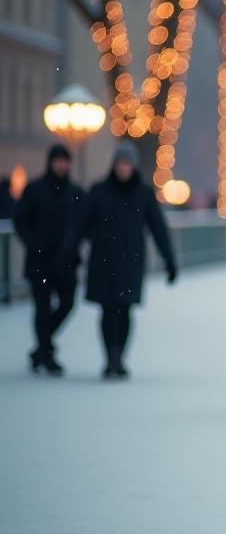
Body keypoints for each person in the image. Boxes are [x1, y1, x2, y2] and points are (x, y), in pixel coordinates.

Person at [67, 145, 177, 379]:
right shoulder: (99, 191)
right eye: (120, 164)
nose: (124, 168)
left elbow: (158, 228)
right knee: (108, 310)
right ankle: (110, 357)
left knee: (125, 309)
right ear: (114, 165)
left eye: (127, 164)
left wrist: (170, 260)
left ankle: (119, 357)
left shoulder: (144, 193)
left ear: (134, 166)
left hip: (130, 261)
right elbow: (81, 224)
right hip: (103, 259)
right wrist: (71, 249)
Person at [12, 144, 85, 374]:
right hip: (40, 261)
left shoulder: (76, 192)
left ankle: (41, 348)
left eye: (65, 161)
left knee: (67, 304)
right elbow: (20, 221)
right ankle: (46, 354)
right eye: (58, 161)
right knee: (42, 308)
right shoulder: (35, 190)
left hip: (66, 260)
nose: (62, 165)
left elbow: (83, 224)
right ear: (51, 162)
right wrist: (33, 243)